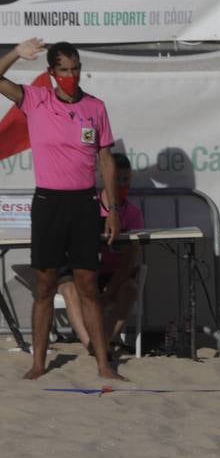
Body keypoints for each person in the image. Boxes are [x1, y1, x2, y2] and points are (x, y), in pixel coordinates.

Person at [0, 38, 121, 380]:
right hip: (49, 203)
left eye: (76, 68)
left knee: (88, 286)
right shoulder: (36, 100)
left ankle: (103, 364)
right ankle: (39, 363)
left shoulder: (95, 107)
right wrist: (13, 54)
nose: (71, 75)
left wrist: (112, 208)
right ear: (51, 72)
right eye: (64, 70)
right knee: (45, 286)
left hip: (84, 203)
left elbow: (106, 159)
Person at [57, 152, 142, 355]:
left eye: (126, 179)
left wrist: (111, 290)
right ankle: (91, 344)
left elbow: (130, 258)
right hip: (85, 270)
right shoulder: (88, 206)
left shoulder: (133, 213)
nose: (122, 184)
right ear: (105, 177)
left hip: (113, 273)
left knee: (129, 290)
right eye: (117, 179)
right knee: (69, 288)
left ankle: (105, 339)